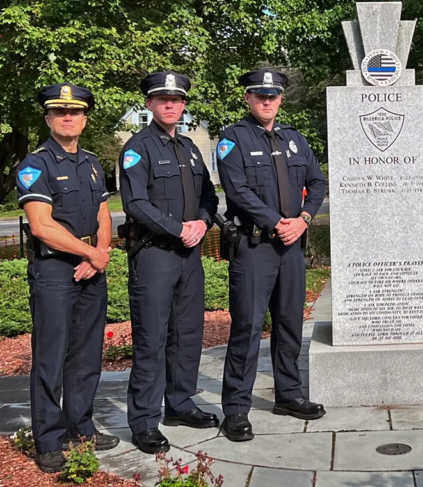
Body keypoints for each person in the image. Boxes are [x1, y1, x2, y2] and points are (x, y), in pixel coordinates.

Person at [216, 69, 327, 441]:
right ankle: (235, 410)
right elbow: (238, 190)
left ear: (280, 99)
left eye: (273, 95)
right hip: (254, 247)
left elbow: (316, 182)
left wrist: (304, 219)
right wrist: (278, 220)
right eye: (259, 95)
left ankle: (289, 394)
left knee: (290, 324)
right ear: (248, 97)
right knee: (247, 327)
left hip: (291, 246)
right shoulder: (233, 139)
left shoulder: (295, 139)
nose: (267, 101)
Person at [17, 83, 118, 472]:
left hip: (92, 269)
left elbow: (104, 216)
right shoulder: (35, 165)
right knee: (51, 357)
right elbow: (42, 226)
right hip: (55, 270)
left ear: (85, 119)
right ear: (48, 118)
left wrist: (100, 254)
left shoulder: (92, 163)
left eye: (75, 112)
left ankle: (82, 424)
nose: (68, 117)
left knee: (88, 353)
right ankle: (48, 439)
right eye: (59, 112)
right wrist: (90, 252)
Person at [119, 71, 219, 454]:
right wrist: (179, 228)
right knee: (152, 340)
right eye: (162, 99)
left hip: (189, 257)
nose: (170, 104)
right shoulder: (138, 148)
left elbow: (209, 195)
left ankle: (179, 404)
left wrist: (202, 222)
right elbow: (135, 203)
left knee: (188, 335)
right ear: (149, 104)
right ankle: (144, 421)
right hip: (155, 255)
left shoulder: (191, 148)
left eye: (176, 99)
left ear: (183, 104)